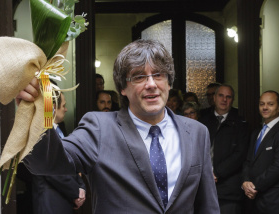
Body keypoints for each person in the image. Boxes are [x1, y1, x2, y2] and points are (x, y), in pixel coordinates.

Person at [18, 39, 220, 213]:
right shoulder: (99, 128)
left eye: (158, 75)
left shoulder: (196, 132)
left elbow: (208, 206)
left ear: (168, 82)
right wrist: (38, 110)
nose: (151, 84)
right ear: (123, 87)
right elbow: (46, 162)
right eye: (139, 76)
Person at [30, 90, 86, 214]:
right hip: (50, 204)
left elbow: (69, 163)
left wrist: (81, 187)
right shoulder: (40, 133)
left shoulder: (59, 130)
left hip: (64, 200)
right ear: (54, 107)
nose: (66, 109)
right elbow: (53, 171)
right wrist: (76, 192)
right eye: (64, 105)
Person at [242, 90, 279, 214]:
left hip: (275, 200)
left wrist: (254, 186)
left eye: (270, 104)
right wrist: (245, 182)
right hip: (253, 200)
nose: (265, 107)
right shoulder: (256, 132)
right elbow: (248, 161)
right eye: (262, 104)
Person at [200, 84, 249, 214]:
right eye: (221, 95)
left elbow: (240, 154)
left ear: (232, 100)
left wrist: (217, 173)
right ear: (214, 98)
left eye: (228, 97)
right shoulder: (203, 119)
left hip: (229, 189)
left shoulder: (240, 122)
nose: (224, 100)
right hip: (204, 185)